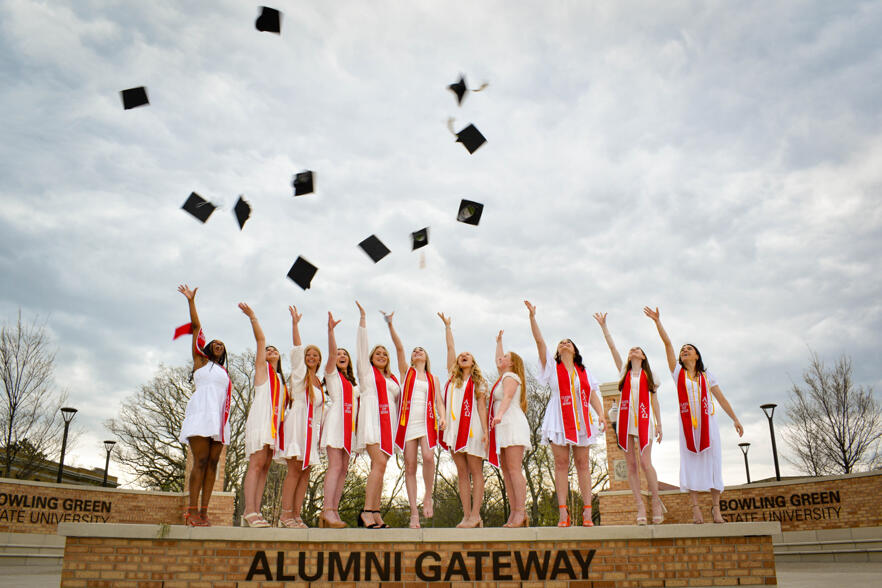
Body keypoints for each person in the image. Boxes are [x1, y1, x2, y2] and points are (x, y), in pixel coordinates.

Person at [644, 306, 744, 524]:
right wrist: (657, 322)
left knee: (713, 463)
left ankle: (716, 510)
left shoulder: (707, 375)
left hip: (709, 427)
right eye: (683, 349)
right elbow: (668, 344)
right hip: (688, 427)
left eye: (689, 348)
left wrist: (735, 418)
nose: (684, 350)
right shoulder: (677, 373)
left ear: (697, 355)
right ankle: (696, 509)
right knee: (690, 464)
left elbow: (721, 398)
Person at [524, 300, 607, 527]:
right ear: (558, 351)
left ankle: (588, 513)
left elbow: (592, 395)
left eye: (568, 342)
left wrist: (600, 414)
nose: (564, 344)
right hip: (559, 419)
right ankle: (563, 512)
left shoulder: (584, 371)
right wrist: (533, 317)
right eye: (561, 343)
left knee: (583, 464)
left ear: (575, 349)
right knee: (560, 464)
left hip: (581, 419)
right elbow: (540, 342)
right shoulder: (552, 367)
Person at [593, 312, 665, 525]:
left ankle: (655, 501)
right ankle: (639, 506)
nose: (633, 350)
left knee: (645, 462)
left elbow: (655, 402)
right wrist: (605, 327)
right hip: (625, 421)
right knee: (631, 464)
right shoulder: (624, 372)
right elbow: (613, 349)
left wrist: (659, 423)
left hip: (643, 421)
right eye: (631, 349)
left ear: (643, 357)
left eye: (638, 349)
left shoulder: (649, 376)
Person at [384, 311, 445, 529]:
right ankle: (413, 514)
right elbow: (399, 348)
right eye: (414, 351)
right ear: (411, 358)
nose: (417, 352)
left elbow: (439, 401)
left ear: (426, 357)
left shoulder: (433, 378)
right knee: (409, 466)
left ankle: (428, 496)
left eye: (421, 350)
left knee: (428, 457)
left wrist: (443, 417)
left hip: (427, 423)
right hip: (407, 423)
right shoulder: (406, 373)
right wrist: (390, 324)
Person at [177, 284, 231, 527]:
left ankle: (204, 512)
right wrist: (191, 301)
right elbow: (196, 327)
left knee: (212, 463)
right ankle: (191, 510)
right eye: (215, 343)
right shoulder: (200, 361)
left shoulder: (224, 372)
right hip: (201, 415)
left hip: (219, 418)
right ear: (208, 348)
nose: (219, 345)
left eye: (222, 344)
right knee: (199, 461)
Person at [239, 303, 289, 528]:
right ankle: (249, 511)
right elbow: (260, 340)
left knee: (265, 468)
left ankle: (256, 511)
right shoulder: (263, 371)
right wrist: (253, 317)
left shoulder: (281, 381)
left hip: (274, 427)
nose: (270, 351)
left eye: (274, 350)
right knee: (256, 464)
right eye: (267, 350)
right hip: (261, 421)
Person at [275, 305, 324, 528]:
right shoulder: (299, 372)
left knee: (306, 472)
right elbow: (296, 347)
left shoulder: (319, 383)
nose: (311, 356)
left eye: (315, 355)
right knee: (295, 469)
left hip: (311, 428)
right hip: (297, 423)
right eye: (308, 354)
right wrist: (295, 324)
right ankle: (285, 514)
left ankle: (296, 514)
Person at [438, 312, 488, 528]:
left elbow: (481, 407)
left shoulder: (478, 382)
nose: (462, 355)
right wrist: (448, 327)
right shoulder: (452, 378)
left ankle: (476, 514)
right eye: (461, 355)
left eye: (467, 354)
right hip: (455, 429)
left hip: (473, 428)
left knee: (475, 470)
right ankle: (466, 515)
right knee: (461, 472)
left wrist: (485, 431)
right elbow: (450, 349)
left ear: (473, 362)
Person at [354, 301, 400, 528]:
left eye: (385, 353)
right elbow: (362, 347)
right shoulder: (366, 373)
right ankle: (366, 511)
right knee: (379, 463)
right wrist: (363, 319)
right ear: (371, 357)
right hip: (372, 421)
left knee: (380, 468)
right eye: (377, 353)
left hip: (388, 425)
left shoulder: (392, 381)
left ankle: (376, 511)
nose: (381, 355)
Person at [488, 330, 531, 528]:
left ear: (512, 363)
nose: (501, 359)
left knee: (514, 469)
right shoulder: (502, 376)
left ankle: (521, 512)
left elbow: (506, 397)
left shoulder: (511, 376)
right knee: (506, 471)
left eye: (506, 357)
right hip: (502, 426)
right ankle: (514, 512)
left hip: (511, 422)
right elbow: (498, 360)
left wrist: (498, 414)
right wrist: (499, 342)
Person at [319, 311, 358, 528]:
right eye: (339, 353)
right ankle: (327, 509)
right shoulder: (333, 375)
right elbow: (332, 355)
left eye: (345, 354)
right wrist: (331, 331)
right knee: (335, 466)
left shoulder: (352, 384)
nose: (341, 355)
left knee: (343, 469)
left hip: (348, 427)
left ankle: (334, 509)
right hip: (336, 423)